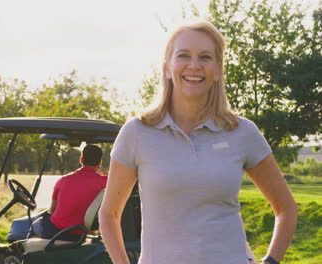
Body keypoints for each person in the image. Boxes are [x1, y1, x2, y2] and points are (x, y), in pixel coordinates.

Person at [98, 20, 298, 264]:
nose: (194, 66)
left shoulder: (243, 132)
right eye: (183, 55)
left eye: (205, 57)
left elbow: (286, 208)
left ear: (218, 70)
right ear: (166, 68)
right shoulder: (137, 132)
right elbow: (109, 214)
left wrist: (271, 261)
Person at [30, 144, 107, 241]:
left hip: (55, 231)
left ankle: (24, 255)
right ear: (100, 163)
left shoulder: (63, 180)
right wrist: (105, 174)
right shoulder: (105, 182)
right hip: (79, 234)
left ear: (81, 160)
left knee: (34, 225)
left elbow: (52, 210)